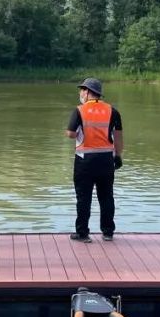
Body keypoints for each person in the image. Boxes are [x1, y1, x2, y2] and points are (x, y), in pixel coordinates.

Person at [66, 78, 123, 242]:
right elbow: (118, 137)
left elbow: (70, 133)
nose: (80, 93)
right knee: (106, 196)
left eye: (81, 90)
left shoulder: (79, 110)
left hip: (85, 161)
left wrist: (79, 133)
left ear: (87, 91)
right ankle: (108, 232)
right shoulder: (113, 111)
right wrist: (118, 156)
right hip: (106, 160)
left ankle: (83, 234)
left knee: (83, 198)